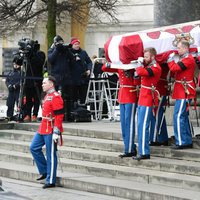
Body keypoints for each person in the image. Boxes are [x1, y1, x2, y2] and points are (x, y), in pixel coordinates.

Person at [30, 76, 64, 189]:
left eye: (44, 83)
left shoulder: (56, 97)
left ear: (51, 84)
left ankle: (50, 180)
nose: (42, 85)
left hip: (51, 128)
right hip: (43, 126)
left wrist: (56, 131)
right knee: (33, 147)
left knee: (51, 155)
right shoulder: (47, 95)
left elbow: (59, 116)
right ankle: (44, 170)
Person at [102, 64, 139, 158]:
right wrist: (110, 62)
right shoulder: (120, 66)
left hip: (131, 95)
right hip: (122, 96)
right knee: (123, 125)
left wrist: (134, 70)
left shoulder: (132, 67)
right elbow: (104, 68)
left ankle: (130, 149)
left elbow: (137, 82)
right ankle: (128, 147)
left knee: (129, 124)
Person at [133, 47, 161, 160]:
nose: (144, 58)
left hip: (148, 99)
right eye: (144, 56)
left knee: (144, 126)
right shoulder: (148, 66)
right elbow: (138, 78)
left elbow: (141, 72)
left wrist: (139, 64)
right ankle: (142, 150)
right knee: (140, 126)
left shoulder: (155, 67)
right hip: (142, 98)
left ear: (153, 57)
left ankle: (144, 152)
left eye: (146, 57)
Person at [167, 40, 196, 149]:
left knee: (178, 116)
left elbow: (175, 68)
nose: (177, 50)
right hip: (182, 90)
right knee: (182, 116)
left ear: (185, 48)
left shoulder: (188, 59)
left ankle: (181, 141)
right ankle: (186, 140)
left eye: (179, 48)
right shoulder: (184, 58)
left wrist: (170, 60)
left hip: (185, 90)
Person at [48, 35, 74, 121]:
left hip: (66, 77)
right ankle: (56, 115)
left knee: (68, 97)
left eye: (61, 42)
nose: (61, 44)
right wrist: (57, 49)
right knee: (56, 97)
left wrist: (66, 49)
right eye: (59, 43)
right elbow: (51, 59)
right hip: (56, 77)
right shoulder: (52, 50)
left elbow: (72, 58)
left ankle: (68, 115)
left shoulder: (65, 50)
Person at [23, 40, 46, 122]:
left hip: (37, 79)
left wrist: (32, 52)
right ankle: (27, 115)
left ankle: (35, 115)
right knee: (28, 99)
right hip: (28, 80)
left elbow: (39, 62)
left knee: (36, 99)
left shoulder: (41, 54)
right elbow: (22, 63)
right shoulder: (27, 55)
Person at [149, 63, 169, 146]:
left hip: (160, 89)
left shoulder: (161, 62)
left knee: (157, 114)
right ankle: (162, 138)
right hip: (155, 89)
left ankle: (156, 138)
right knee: (157, 114)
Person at [70, 37, 92, 104]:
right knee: (73, 97)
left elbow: (89, 62)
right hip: (72, 79)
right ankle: (74, 111)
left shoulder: (83, 52)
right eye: (75, 44)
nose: (77, 45)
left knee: (83, 97)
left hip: (82, 78)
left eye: (78, 44)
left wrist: (89, 69)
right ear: (72, 45)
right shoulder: (69, 52)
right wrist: (73, 60)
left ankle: (83, 111)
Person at [5, 55, 23, 121]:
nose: (15, 65)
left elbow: (21, 81)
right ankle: (9, 116)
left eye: (17, 64)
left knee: (19, 104)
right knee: (10, 104)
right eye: (14, 64)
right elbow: (7, 80)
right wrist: (9, 85)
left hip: (18, 91)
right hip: (11, 91)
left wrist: (15, 86)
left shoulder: (21, 73)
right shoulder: (10, 72)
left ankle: (19, 117)